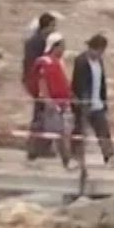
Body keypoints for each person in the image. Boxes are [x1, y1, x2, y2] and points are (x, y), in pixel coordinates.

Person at [71, 34, 114, 166]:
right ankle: (76, 158)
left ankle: (109, 156)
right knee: (79, 132)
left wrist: (104, 100)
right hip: (84, 104)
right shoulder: (81, 61)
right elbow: (79, 83)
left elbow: (102, 83)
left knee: (103, 130)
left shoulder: (99, 62)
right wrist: (82, 102)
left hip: (98, 103)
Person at [31, 32, 74, 169]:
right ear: (55, 46)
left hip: (61, 104)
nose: (63, 49)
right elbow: (42, 81)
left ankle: (32, 157)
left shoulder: (58, 62)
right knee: (59, 133)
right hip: (51, 104)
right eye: (62, 46)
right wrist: (48, 99)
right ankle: (66, 161)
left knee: (50, 133)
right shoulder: (45, 62)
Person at [22, 12, 58, 160]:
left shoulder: (40, 41)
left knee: (44, 114)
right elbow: (35, 65)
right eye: (53, 26)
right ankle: (35, 148)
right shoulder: (37, 42)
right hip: (38, 83)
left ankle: (41, 147)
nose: (55, 29)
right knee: (40, 115)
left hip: (40, 82)